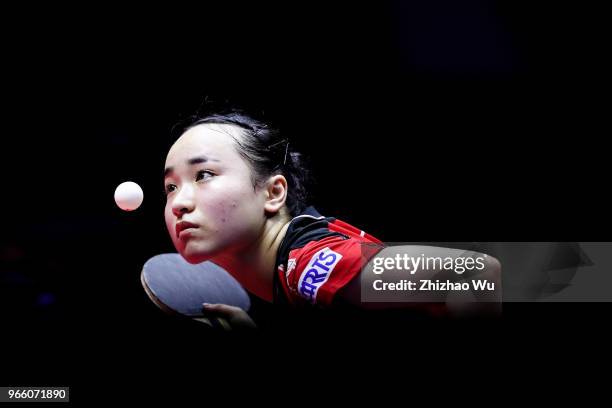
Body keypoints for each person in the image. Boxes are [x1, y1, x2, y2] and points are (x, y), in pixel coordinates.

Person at [163, 109, 501, 329]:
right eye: (170, 187)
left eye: (204, 174)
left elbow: (472, 273)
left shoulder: (310, 265)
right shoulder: (288, 278)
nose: (179, 202)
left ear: (272, 193)